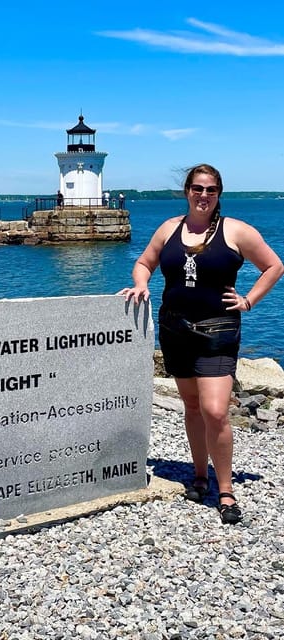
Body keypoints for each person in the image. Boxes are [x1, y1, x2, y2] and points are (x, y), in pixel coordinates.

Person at [120, 163, 283, 524]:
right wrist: (142, 283)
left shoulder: (236, 231)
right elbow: (144, 262)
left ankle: (225, 489)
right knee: (192, 407)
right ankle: (198, 475)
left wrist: (249, 300)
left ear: (219, 193)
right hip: (174, 329)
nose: (203, 195)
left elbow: (273, 266)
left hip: (218, 331)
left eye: (210, 189)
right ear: (187, 191)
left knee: (215, 410)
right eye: (197, 188)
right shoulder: (169, 228)